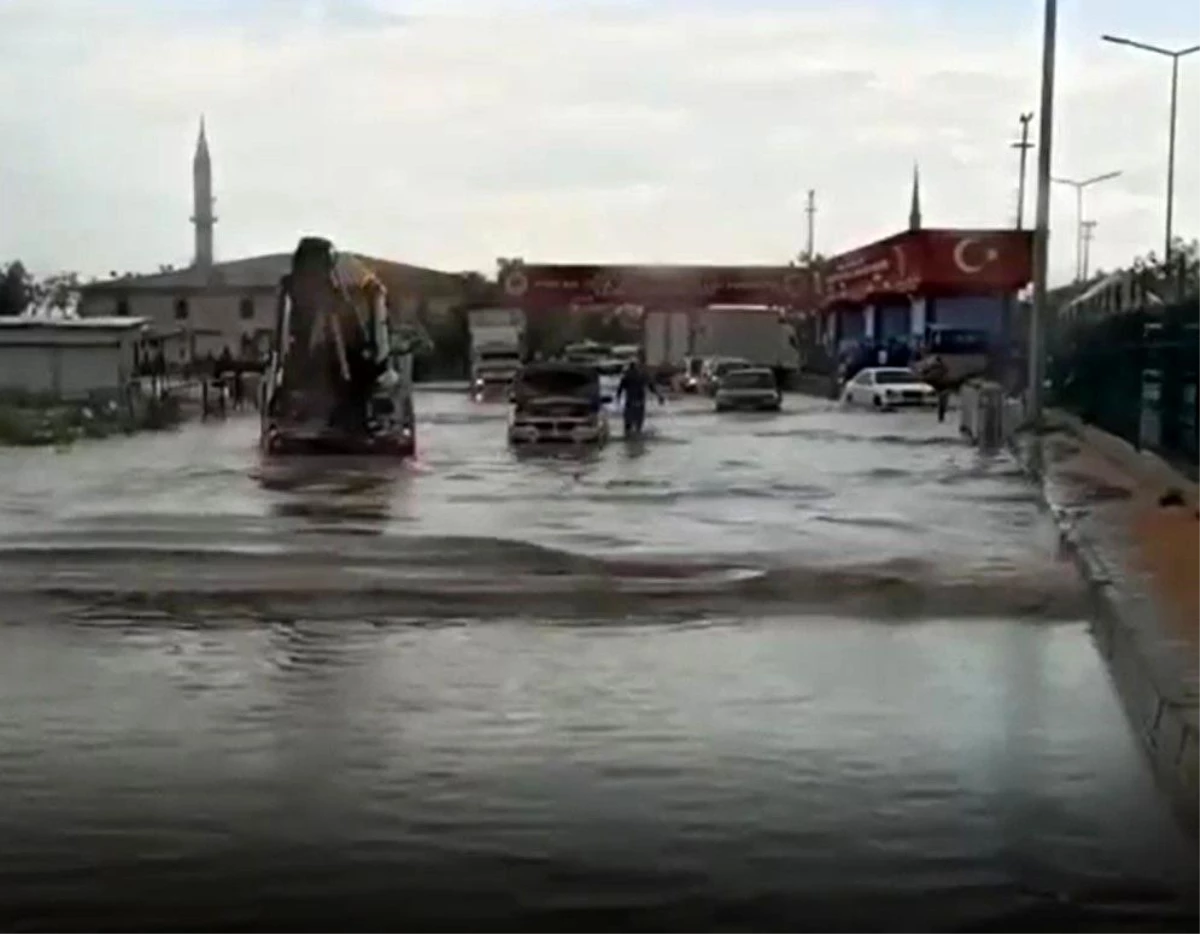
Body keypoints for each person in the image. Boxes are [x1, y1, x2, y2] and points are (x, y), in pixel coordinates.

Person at [615, 356, 663, 438]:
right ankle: (636, 438)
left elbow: (620, 389)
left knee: (628, 425)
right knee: (637, 425)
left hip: (631, 403)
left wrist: (618, 399)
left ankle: (630, 438)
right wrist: (659, 396)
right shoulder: (642, 374)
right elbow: (651, 387)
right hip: (638, 402)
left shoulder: (627, 375)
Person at [924, 354, 950, 422]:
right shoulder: (941, 367)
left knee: (942, 403)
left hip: (941, 387)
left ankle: (941, 416)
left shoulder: (937, 367)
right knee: (943, 403)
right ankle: (941, 417)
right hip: (943, 387)